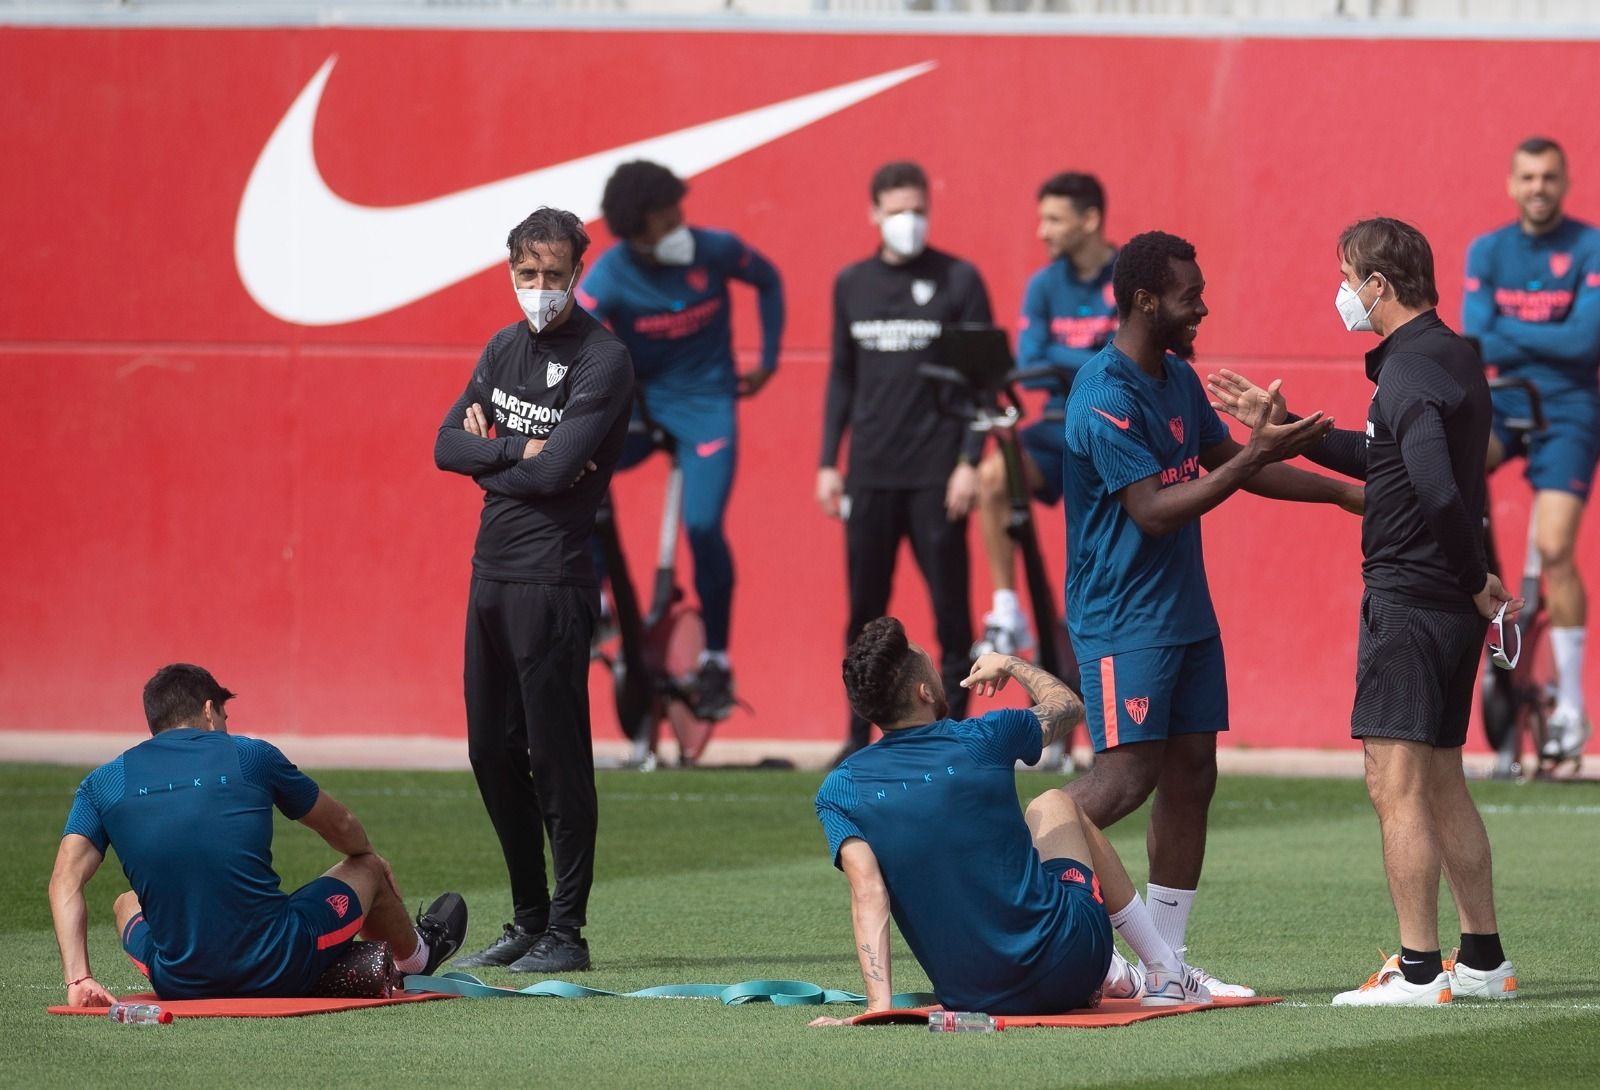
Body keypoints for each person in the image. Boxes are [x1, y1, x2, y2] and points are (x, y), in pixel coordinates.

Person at [1208, 217, 1521, 1006]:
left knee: (1395, 785)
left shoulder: (1410, 373)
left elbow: (1436, 489)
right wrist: (1284, 433)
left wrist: (1474, 572)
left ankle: (1419, 971)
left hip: (1413, 600)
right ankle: (1482, 960)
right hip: (1444, 603)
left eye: (1349, 278)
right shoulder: (1447, 357)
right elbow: (1389, 452)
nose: (1344, 293)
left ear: (1380, 285)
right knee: (1442, 779)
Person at [1062, 230, 1359, 999]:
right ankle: (1017, 851)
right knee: (1125, 780)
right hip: (1121, 618)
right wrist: (1253, 458)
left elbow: (1230, 460)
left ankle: (1169, 968)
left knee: (1193, 774)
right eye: (1190, 295)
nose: (1204, 306)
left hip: (1183, 613)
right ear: (1144, 301)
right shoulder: (1105, 395)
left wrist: (1346, 493)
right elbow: (1155, 511)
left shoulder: (1177, 377)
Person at [808, 617, 1211, 1025]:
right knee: (1051, 803)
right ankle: (1164, 970)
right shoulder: (985, 736)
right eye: (925, 658)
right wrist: (1012, 664)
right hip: (1070, 965)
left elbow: (869, 893)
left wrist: (879, 1007)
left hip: (973, 996)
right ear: (925, 691)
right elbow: (1068, 706)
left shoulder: (840, 789)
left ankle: (1118, 974)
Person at [434, 207, 634, 974]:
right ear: (510, 272)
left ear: (578, 274)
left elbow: (559, 477)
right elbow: (446, 445)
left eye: (554, 276)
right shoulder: (501, 346)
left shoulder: (603, 359)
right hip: (490, 576)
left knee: (556, 759)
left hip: (553, 580)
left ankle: (567, 932)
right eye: (528, 275)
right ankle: (525, 919)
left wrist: (497, 459)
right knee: (491, 752)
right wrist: (515, 448)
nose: (540, 290)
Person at [49, 664, 468, 1005]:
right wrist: (373, 862)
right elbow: (340, 825)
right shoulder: (250, 755)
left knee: (126, 901)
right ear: (210, 711)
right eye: (226, 719)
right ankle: (416, 957)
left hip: (179, 981)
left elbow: (64, 881)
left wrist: (78, 979)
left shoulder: (103, 782)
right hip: (278, 962)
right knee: (367, 867)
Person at [578, 160, 785, 720]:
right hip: (644, 405)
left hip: (708, 405)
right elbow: (571, 333)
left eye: (680, 212)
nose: (681, 225)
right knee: (581, 467)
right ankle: (598, 600)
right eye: (667, 219)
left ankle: (716, 658)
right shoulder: (610, 274)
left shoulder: (715, 250)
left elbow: (769, 281)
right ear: (637, 228)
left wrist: (767, 361)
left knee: (702, 525)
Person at [817, 160, 992, 764]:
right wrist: (827, 462)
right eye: (896, 211)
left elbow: (983, 380)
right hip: (870, 473)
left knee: (950, 614)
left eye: (917, 209)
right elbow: (842, 375)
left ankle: (956, 738)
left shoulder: (959, 278)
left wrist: (970, 461)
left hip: (937, 476)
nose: (907, 222)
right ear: (873, 214)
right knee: (862, 614)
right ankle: (855, 737)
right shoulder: (850, 284)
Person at [1462, 136, 1600, 764]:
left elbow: (1585, 345)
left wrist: (1510, 333)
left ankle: (1572, 703)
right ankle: (1484, 584)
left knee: (1554, 548)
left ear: (1564, 181)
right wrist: (1550, 334)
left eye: (1549, 176)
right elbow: (1474, 336)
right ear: (1512, 184)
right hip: (1505, 402)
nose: (1538, 187)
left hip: (1570, 409)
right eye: (1528, 177)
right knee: (1456, 465)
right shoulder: (1488, 250)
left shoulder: (1589, 244)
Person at [975, 172, 1118, 657]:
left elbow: (1134, 368)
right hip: (1057, 425)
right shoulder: (1042, 283)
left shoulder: (1128, 277)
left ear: (1090, 219)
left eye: (1054, 219)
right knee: (992, 476)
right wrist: (1095, 358)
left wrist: (1063, 360)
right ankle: (1006, 610)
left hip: (1114, 430)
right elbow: (1030, 368)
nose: (1043, 231)